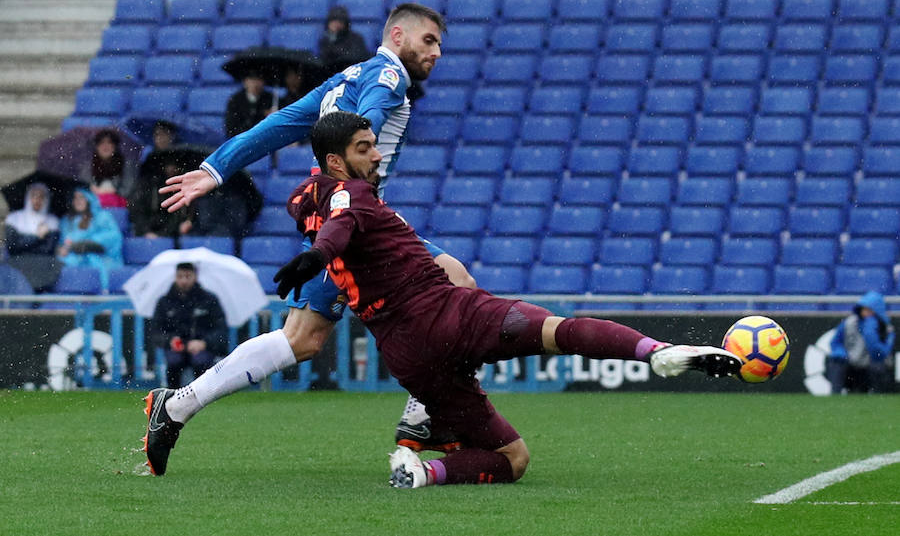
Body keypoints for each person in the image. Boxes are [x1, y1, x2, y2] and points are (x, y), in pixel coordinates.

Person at [142, 112, 742, 483]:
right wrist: (321, 252)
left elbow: (328, 212)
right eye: (365, 146)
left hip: (403, 348)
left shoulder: (307, 195)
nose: (377, 154)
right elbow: (345, 216)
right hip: (442, 315)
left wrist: (321, 248)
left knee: (512, 458)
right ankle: (656, 352)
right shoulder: (371, 119)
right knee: (556, 329)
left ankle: (422, 463)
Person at [150, 4, 470, 476]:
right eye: (429, 41)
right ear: (398, 35)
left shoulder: (342, 80)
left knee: (307, 337)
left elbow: (274, 128)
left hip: (349, 217)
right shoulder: (387, 78)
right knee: (452, 288)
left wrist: (214, 168)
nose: (437, 52)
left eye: (439, 44)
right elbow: (366, 125)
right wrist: (353, 174)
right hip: (356, 224)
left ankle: (176, 406)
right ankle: (424, 412)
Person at [151, 262, 228, 388]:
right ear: (175, 277)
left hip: (202, 348)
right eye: (180, 276)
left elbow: (221, 331)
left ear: (195, 277)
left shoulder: (209, 300)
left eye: (188, 276)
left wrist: (204, 343)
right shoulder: (164, 302)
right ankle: (172, 398)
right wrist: (170, 340)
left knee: (201, 362)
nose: (184, 281)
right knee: (173, 362)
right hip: (176, 348)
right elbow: (156, 331)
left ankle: (204, 395)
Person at [827, 291, 895, 394]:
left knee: (878, 367)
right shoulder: (849, 323)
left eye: (870, 310)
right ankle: (835, 393)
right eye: (864, 309)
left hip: (872, 369)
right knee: (836, 362)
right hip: (851, 367)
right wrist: (841, 353)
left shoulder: (886, 329)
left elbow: (881, 353)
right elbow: (835, 343)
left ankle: (877, 395)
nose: (866, 313)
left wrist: (870, 334)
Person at [57, 188, 124, 291]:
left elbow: (113, 237)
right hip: (73, 259)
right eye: (75, 198)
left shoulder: (102, 217)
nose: (78, 201)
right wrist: (61, 249)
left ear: (89, 199)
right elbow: (63, 242)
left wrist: (85, 244)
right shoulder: (67, 221)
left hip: (99, 258)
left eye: (81, 197)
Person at [4, 183, 62, 292]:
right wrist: (38, 237)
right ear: (28, 197)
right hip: (17, 263)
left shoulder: (52, 221)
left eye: (41, 197)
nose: (37, 200)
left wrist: (25, 244)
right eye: (34, 195)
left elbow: (48, 250)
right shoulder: (14, 218)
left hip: (42, 266)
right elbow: (12, 247)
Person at [128, 149, 194, 239]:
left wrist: (189, 221)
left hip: (175, 236)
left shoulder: (186, 187)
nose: (171, 168)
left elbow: (186, 215)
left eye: (175, 165)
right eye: (168, 164)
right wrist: (146, 231)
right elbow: (137, 210)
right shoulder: (148, 186)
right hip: (148, 234)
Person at [81, 129, 135, 209]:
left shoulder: (126, 165)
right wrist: (91, 189)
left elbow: (129, 189)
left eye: (109, 142)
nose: (105, 146)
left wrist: (114, 192)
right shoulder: (88, 166)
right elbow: (82, 188)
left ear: (115, 146)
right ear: (96, 146)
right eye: (101, 142)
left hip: (119, 210)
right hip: (92, 211)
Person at [317, 6, 371, 77]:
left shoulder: (356, 38)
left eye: (339, 21)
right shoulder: (325, 40)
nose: (336, 24)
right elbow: (324, 61)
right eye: (333, 21)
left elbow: (356, 58)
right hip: (331, 75)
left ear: (345, 23)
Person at [224, 70, 275, 139]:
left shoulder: (271, 99)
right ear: (245, 82)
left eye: (259, 79)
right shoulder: (235, 100)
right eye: (252, 80)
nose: (255, 84)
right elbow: (230, 128)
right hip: (241, 140)